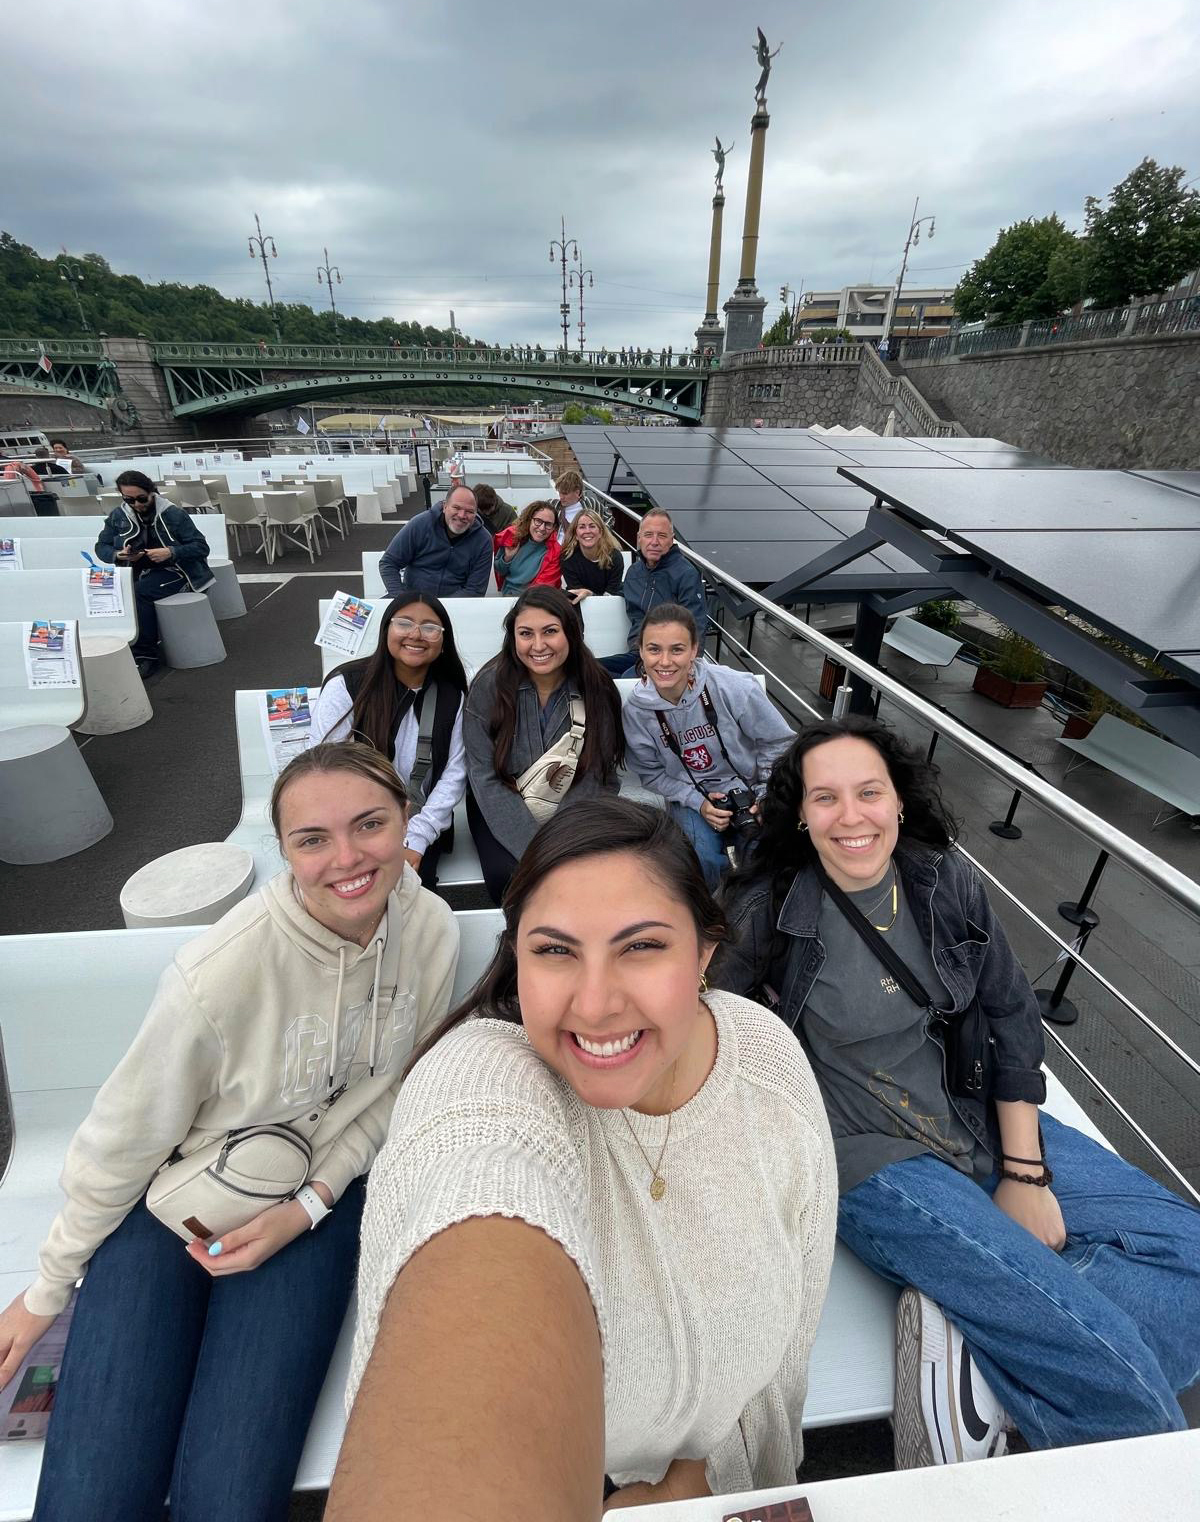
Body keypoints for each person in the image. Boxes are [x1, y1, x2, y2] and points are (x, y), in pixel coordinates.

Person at [328, 798, 837, 1520]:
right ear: (517, 956)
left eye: (641, 946)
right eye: (555, 950)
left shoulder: (767, 1063)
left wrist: (711, 1481)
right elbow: (477, 1202)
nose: (594, 1005)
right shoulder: (480, 1079)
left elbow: (794, 1325)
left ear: (706, 951)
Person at [712, 717, 1200, 1466]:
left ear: (899, 802)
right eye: (826, 798)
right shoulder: (767, 911)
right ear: (800, 815)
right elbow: (708, 1040)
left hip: (966, 1112)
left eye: (869, 792)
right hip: (863, 1153)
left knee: (1190, 1261)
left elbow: (1009, 1013)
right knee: (1113, 1369)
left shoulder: (944, 881)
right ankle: (1041, 1339)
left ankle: (984, 1362)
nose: (851, 817)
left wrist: (1027, 1174)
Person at [0, 742, 460, 1522]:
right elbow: (123, 1139)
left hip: (315, 1202)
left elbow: (391, 1095)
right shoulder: (219, 971)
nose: (346, 858)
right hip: (170, 1200)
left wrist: (308, 1205)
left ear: (406, 821)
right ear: (283, 853)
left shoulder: (431, 933)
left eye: (369, 825)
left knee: (231, 1499)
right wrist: (46, 1291)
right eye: (312, 840)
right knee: (92, 1499)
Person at [463, 585, 623, 904]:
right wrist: (536, 846)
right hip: (502, 801)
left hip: (575, 803)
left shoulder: (596, 687)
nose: (538, 645)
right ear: (513, 638)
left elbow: (597, 773)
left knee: (588, 875)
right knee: (510, 876)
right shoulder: (489, 686)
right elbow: (483, 775)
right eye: (526, 634)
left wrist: (559, 838)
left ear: (570, 633)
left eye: (550, 631)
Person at [623, 604, 794, 889]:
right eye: (654, 649)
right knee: (698, 860)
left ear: (694, 651)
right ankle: (712, 916)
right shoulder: (636, 712)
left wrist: (766, 793)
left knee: (764, 854)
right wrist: (696, 801)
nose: (665, 662)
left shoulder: (735, 687)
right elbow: (651, 774)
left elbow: (779, 742)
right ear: (640, 651)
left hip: (751, 790)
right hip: (691, 797)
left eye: (677, 649)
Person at [309, 593, 468, 890]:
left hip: (419, 822)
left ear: (443, 639)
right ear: (386, 630)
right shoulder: (347, 684)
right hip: (349, 821)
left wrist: (417, 838)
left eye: (430, 628)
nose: (416, 635)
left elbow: (454, 775)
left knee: (409, 892)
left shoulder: (453, 696)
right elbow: (322, 766)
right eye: (404, 623)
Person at [95, 470, 214, 679]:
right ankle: (118, 647)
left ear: (152, 493)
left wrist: (171, 552)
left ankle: (145, 655)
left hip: (177, 570)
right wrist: (118, 554)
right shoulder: (118, 515)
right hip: (136, 569)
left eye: (141, 499)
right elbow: (101, 546)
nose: (136, 504)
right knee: (111, 591)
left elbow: (201, 547)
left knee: (140, 593)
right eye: (129, 499)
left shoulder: (173, 514)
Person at [600, 509, 706, 676]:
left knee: (621, 678)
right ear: (639, 538)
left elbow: (696, 625)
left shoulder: (686, 574)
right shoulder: (634, 572)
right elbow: (621, 591)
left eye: (662, 536)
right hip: (637, 654)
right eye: (648, 535)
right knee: (588, 667)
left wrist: (687, 670)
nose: (654, 542)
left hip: (665, 659)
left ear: (671, 540)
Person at [379, 484, 491, 598]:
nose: (462, 515)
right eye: (456, 508)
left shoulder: (483, 540)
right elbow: (389, 563)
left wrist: (439, 609)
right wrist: (400, 598)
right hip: (412, 600)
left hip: (454, 607)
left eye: (469, 511)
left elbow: (475, 590)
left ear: (476, 513)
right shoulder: (421, 524)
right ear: (445, 506)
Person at [493, 500, 562, 595]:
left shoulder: (555, 551)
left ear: (554, 527)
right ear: (529, 520)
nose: (542, 528)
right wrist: (507, 558)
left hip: (537, 599)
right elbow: (499, 570)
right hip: (508, 595)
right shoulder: (513, 537)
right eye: (538, 521)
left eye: (548, 524)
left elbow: (544, 588)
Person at [560, 507, 624, 603]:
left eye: (592, 526)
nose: (587, 531)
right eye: (582, 527)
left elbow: (611, 596)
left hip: (611, 605)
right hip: (579, 604)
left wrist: (590, 594)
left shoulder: (615, 557)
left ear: (600, 532)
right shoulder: (568, 558)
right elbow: (576, 596)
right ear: (576, 535)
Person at [551, 467, 586, 542]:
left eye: (565, 493)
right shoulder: (553, 505)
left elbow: (608, 517)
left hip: (581, 549)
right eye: (560, 492)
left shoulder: (591, 504)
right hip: (556, 550)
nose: (561, 497)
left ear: (577, 492)